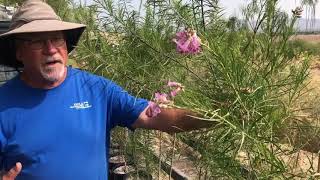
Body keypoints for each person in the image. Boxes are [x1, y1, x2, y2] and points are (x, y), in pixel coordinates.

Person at [0, 1, 212, 180]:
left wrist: (217, 116)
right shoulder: (3, 103)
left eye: (57, 38)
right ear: (19, 51)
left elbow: (155, 116)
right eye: (38, 41)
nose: (51, 49)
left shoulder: (97, 90)